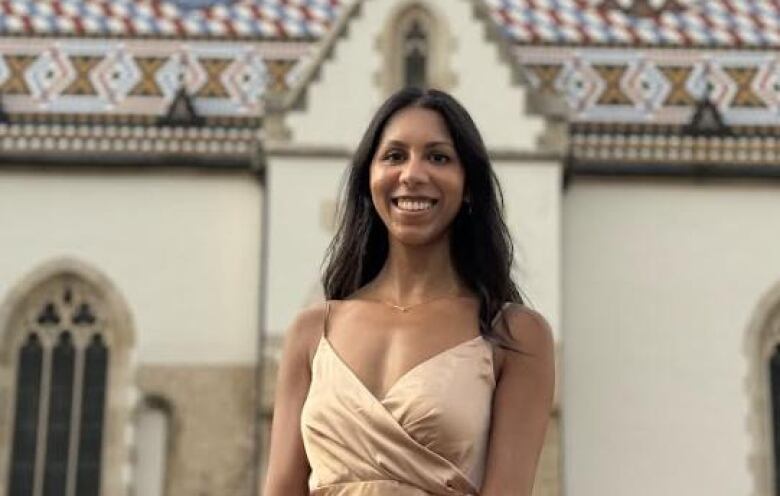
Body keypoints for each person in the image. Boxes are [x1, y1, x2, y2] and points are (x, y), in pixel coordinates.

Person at [263, 87, 554, 495]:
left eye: (438, 157)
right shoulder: (312, 331)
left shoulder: (515, 335)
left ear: (468, 184)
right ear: (369, 178)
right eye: (395, 156)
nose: (413, 174)